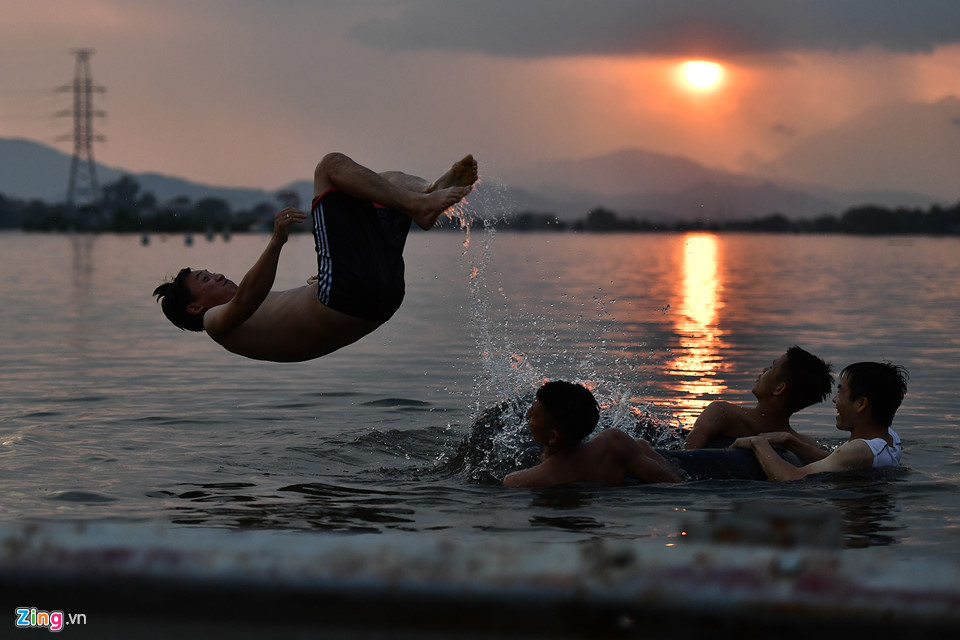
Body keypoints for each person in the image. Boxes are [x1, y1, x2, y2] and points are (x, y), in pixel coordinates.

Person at [153, 152, 478, 362]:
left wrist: (318, 281)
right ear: (194, 307)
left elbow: (284, 311)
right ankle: (419, 203)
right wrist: (277, 241)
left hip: (375, 296)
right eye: (205, 280)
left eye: (210, 271)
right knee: (329, 167)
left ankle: (426, 193)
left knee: (389, 179)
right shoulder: (214, 322)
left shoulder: (246, 318)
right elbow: (248, 299)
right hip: (346, 298)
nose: (218, 275)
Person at [731, 361, 908, 481]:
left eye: (840, 393)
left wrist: (758, 443)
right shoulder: (890, 439)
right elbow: (836, 462)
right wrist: (790, 441)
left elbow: (791, 478)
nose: (834, 400)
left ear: (861, 404)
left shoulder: (859, 449)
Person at [502, 381, 683, 488]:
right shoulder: (613, 443)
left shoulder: (537, 477)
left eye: (533, 413)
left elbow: (508, 483)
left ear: (553, 436)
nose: (527, 414)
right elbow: (671, 481)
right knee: (642, 444)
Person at [684, 346, 833, 450]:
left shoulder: (723, 413)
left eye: (772, 367)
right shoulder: (805, 444)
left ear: (779, 389)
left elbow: (685, 456)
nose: (764, 370)